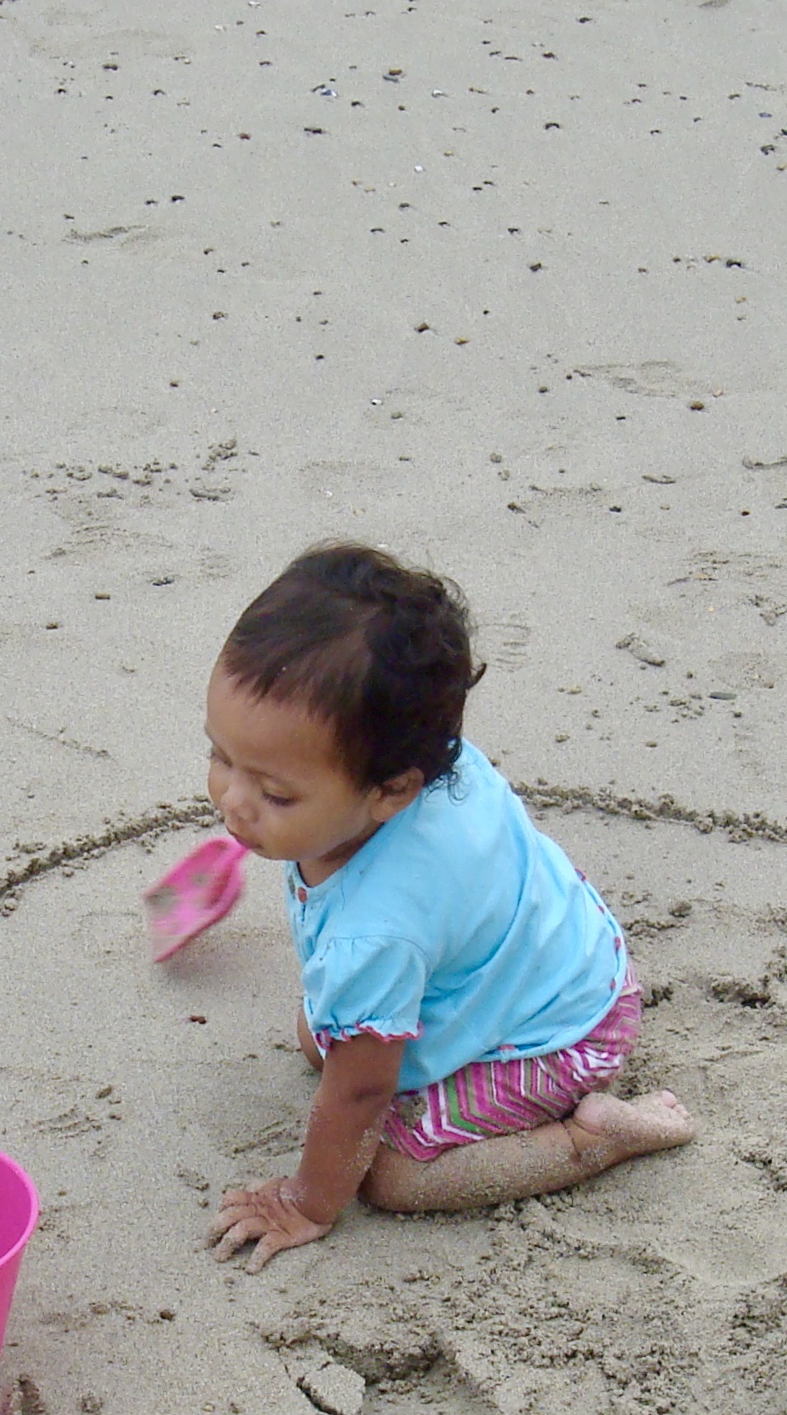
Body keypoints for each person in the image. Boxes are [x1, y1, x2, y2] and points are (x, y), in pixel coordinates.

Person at [204, 543, 697, 1271]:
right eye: (219, 756)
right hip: (566, 955)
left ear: (391, 789)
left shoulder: (373, 934)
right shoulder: (439, 756)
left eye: (275, 794)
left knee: (390, 1175)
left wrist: (309, 1200)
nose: (232, 804)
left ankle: (591, 1138)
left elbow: (364, 1089)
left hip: (559, 1037)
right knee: (322, 1035)